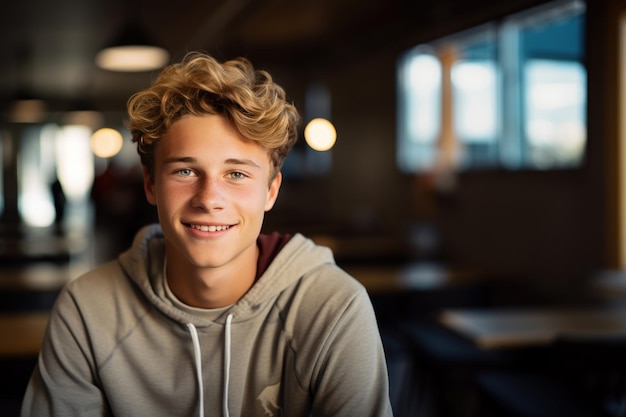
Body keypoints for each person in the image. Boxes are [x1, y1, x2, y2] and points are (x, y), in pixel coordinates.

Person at [20, 52, 394, 417]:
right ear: (150, 185)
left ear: (271, 191)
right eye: (185, 171)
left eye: (236, 174)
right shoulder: (87, 310)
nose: (209, 199)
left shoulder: (333, 307)